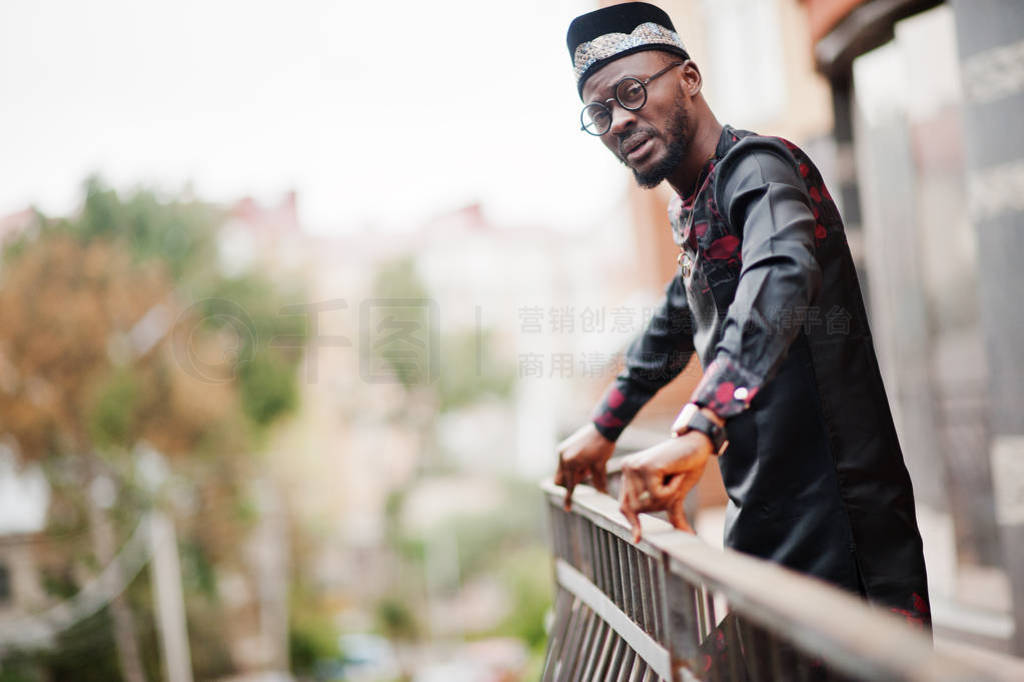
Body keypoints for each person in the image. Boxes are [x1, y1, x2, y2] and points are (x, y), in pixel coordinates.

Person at [554, 1, 930, 626]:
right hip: (765, 533)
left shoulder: (757, 168)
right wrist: (604, 427)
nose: (620, 120)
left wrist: (703, 424)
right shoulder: (693, 209)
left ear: (690, 79)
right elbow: (674, 324)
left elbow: (779, 277)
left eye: (632, 91)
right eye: (601, 111)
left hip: (844, 545)